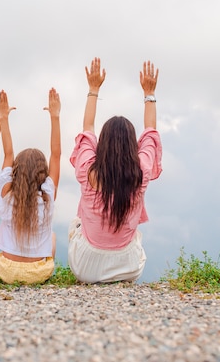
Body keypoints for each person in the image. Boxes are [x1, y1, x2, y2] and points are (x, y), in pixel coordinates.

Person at [68, 57, 163, 283]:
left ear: (103, 143)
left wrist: (93, 89)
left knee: (76, 223)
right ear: (133, 144)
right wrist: (149, 94)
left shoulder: (88, 170)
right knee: (135, 236)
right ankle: (119, 271)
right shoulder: (141, 172)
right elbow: (151, 132)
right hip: (127, 268)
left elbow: (87, 128)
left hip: (85, 269)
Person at [0, 89, 61, 284]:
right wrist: (55, 117)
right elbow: (56, 155)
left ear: (15, 171)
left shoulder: (6, 193)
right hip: (37, 273)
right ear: (43, 174)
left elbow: (8, 154)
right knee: (53, 237)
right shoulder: (48, 195)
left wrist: (3, 119)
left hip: (6, 270)